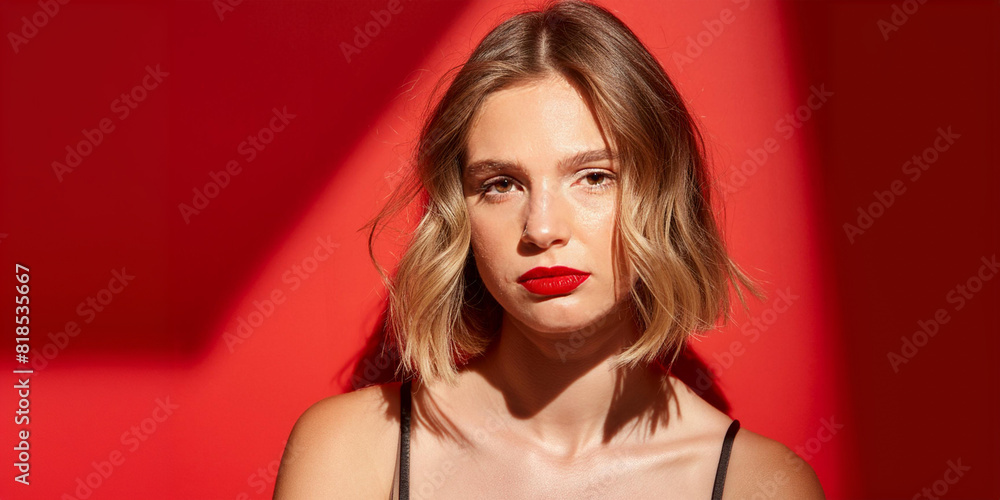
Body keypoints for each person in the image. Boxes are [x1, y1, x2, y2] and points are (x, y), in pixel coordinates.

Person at [273, 1, 825, 498]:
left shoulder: (760, 485)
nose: (541, 228)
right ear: (459, 212)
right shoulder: (351, 451)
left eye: (594, 177)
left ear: (664, 195)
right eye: (501, 184)